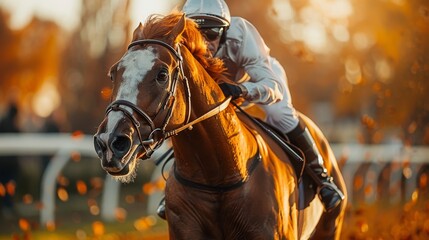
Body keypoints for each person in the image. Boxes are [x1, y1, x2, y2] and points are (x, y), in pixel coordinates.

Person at [157, 0, 344, 218]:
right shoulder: (183, 47)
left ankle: (323, 180)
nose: (205, 43)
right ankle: (175, 190)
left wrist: (241, 89)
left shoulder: (242, 35)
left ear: (225, 30)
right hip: (224, 92)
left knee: (279, 115)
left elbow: (272, 87)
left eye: (212, 33)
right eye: (197, 34)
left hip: (257, 81)